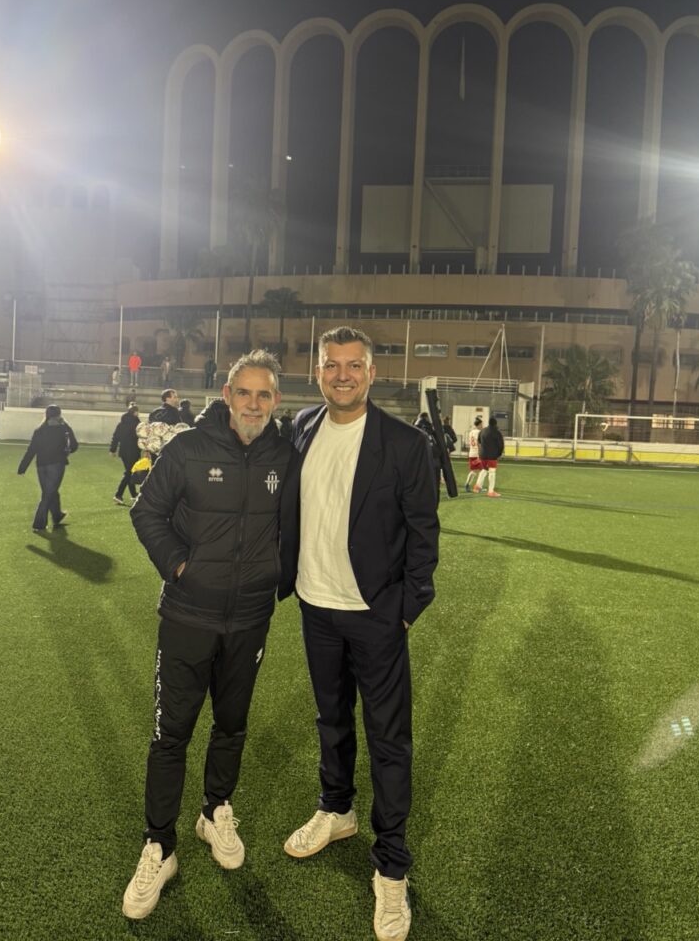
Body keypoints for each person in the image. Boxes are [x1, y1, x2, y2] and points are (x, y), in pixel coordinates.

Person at [122, 350, 294, 921]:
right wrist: (179, 567)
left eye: (264, 395)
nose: (253, 404)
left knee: (232, 725)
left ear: (275, 401)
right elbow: (146, 513)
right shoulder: (189, 447)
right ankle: (159, 845)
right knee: (171, 735)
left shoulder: (283, 452)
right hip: (188, 616)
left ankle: (215, 810)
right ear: (227, 394)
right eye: (244, 393)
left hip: (250, 619)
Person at [279, 326, 438, 941]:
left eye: (353, 365)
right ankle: (336, 809)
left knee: (389, 738)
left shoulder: (403, 442)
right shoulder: (302, 426)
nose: (341, 375)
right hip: (315, 608)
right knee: (331, 720)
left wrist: (404, 607)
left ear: (372, 373)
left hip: (376, 614)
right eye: (331, 365)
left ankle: (391, 866)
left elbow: (423, 533)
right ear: (318, 372)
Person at [17, 405, 79, 532]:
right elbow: (74, 445)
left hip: (41, 465)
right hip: (56, 464)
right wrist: (67, 429)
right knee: (48, 493)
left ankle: (57, 516)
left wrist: (22, 467)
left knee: (50, 491)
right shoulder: (63, 429)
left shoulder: (39, 430)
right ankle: (39, 523)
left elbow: (31, 450)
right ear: (59, 415)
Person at [110, 403, 141, 506]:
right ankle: (118, 494)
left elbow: (115, 437)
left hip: (123, 451)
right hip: (133, 451)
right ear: (135, 413)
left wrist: (113, 449)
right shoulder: (137, 424)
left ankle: (133, 494)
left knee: (130, 472)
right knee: (129, 473)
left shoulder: (121, 424)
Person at [473, 415, 504, 497]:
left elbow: (479, 442)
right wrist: (499, 454)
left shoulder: (482, 431)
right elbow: (501, 445)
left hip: (483, 455)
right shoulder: (497, 432)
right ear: (495, 423)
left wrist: (481, 453)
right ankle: (491, 491)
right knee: (492, 472)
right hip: (492, 456)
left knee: (484, 470)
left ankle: (477, 486)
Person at [464, 415, 483, 492]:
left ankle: (469, 485)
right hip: (477, 454)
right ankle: (477, 486)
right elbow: (479, 443)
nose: (482, 426)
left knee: (476, 470)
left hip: (472, 453)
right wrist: (481, 453)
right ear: (479, 424)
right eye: (482, 424)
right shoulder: (479, 432)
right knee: (482, 470)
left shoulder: (471, 432)